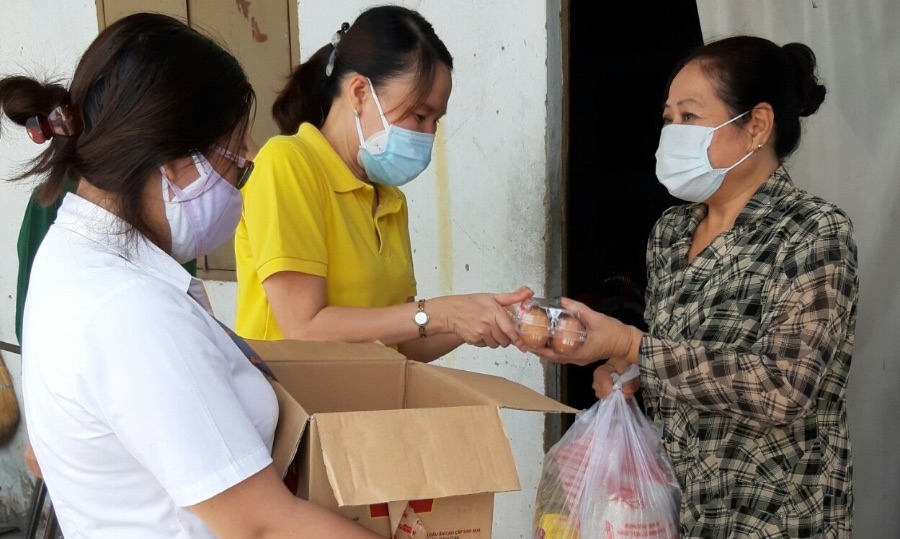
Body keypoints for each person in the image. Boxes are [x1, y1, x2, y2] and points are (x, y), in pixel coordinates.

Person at [4, 13, 381, 538]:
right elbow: (263, 526)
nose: (242, 181)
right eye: (236, 164)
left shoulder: (71, 256)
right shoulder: (129, 310)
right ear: (175, 161)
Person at [532, 35, 857, 538]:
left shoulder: (813, 231)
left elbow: (785, 388)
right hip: (674, 513)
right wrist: (630, 372)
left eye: (689, 116)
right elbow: (678, 357)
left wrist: (631, 343)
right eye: (668, 118)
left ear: (757, 125)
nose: (671, 133)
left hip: (774, 518)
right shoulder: (671, 232)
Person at [234, 5, 531, 361]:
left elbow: (407, 339)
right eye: (420, 115)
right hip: (293, 408)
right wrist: (447, 312)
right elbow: (305, 327)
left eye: (436, 120)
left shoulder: (390, 199)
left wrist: (485, 317)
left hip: (361, 410)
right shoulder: (288, 164)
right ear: (359, 92)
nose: (428, 134)